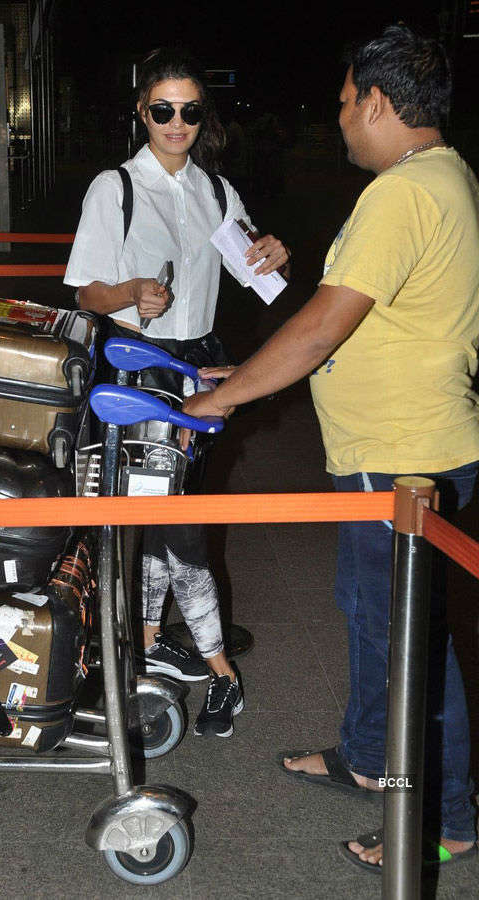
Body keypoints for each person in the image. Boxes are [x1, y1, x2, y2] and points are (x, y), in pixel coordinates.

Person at [183, 25, 479, 867]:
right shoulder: (441, 176)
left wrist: (225, 397)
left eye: (348, 102)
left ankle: (446, 820)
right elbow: (372, 320)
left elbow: (322, 326)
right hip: (388, 447)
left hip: (405, 458)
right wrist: (253, 366)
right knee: (369, 617)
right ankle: (367, 759)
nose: (342, 117)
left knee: (408, 640)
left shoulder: (402, 195)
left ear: (380, 103)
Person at [64, 47, 289, 737]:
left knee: (169, 512)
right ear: (141, 112)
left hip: (200, 366)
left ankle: (158, 634)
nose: (176, 122)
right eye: (163, 109)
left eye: (190, 110)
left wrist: (274, 257)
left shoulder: (215, 191)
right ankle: (218, 668)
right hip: (137, 365)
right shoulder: (116, 188)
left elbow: (258, 276)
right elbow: (85, 289)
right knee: (167, 520)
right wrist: (131, 292)